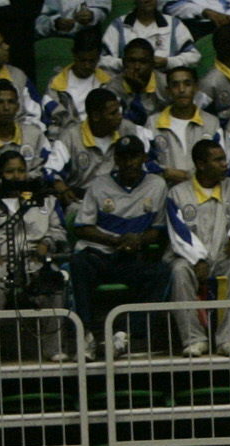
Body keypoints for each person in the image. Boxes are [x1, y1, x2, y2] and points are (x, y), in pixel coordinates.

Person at [67, 133, 169, 353]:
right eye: (123, 157)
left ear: (144, 158)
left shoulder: (157, 185)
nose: (129, 163)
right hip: (101, 254)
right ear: (116, 160)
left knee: (160, 272)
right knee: (77, 264)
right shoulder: (99, 184)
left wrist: (139, 239)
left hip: (132, 256)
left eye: (134, 157)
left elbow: (158, 230)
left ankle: (126, 336)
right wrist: (115, 240)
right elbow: (82, 227)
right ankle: (86, 335)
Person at [0, 148, 71, 365]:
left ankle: (53, 348)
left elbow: (59, 230)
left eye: (21, 171)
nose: (16, 177)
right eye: (9, 172)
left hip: (34, 259)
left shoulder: (43, 198)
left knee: (54, 281)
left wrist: (46, 243)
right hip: (1, 260)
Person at [163, 136, 230, 358]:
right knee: (178, 271)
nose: (224, 164)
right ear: (201, 165)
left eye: (224, 159)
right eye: (217, 160)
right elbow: (179, 234)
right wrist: (198, 259)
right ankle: (194, 339)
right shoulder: (177, 193)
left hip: (223, 255)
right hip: (188, 258)